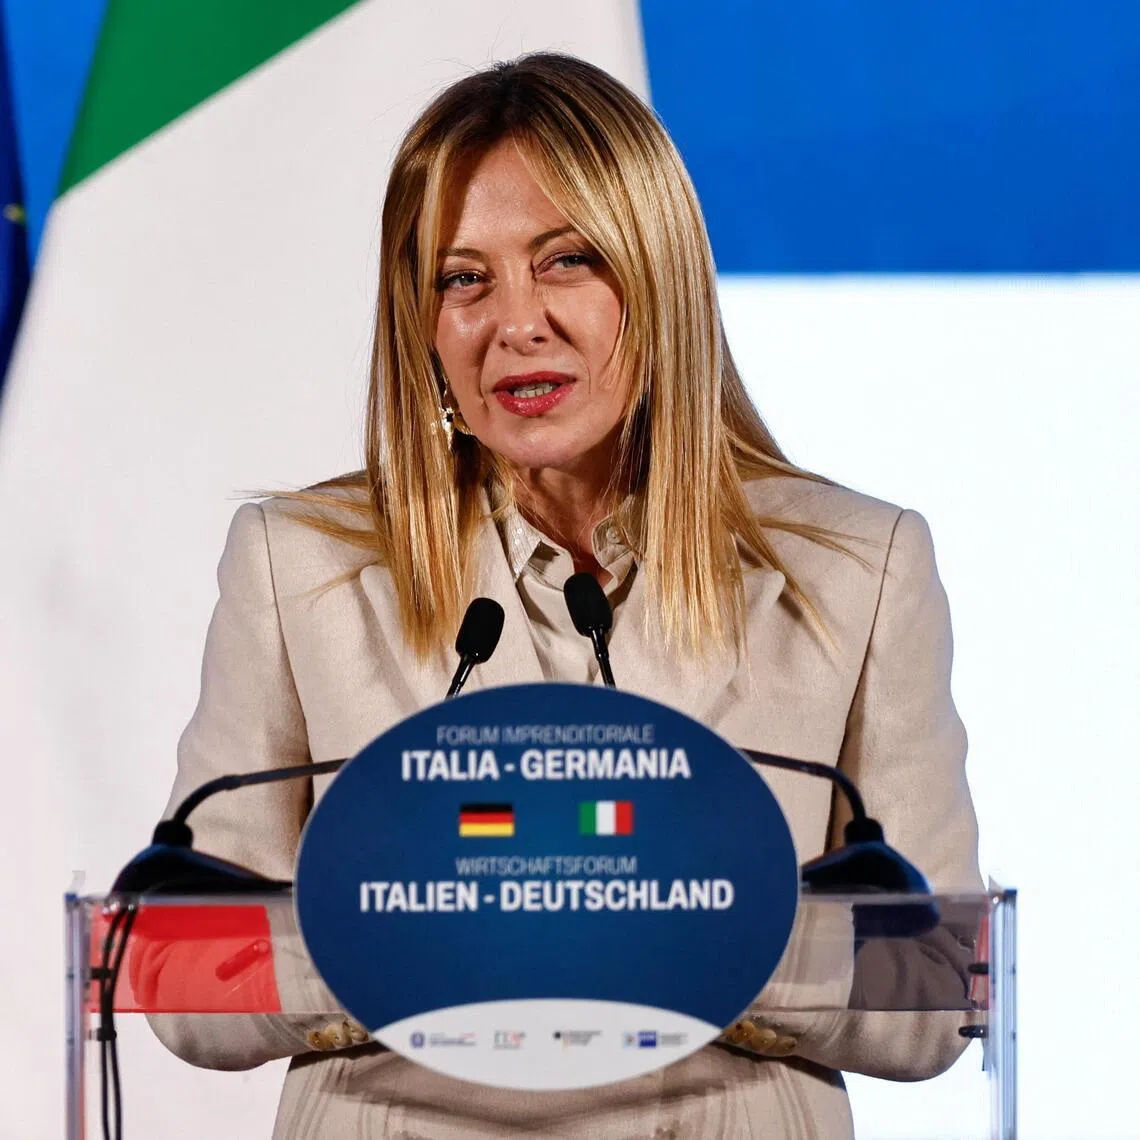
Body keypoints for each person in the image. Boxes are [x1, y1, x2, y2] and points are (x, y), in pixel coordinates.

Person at [149, 52, 982, 1139]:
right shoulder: (298, 565)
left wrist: (702, 934)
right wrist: (404, 938)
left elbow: (936, 984)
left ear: (660, 280)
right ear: (423, 323)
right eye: (463, 279)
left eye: (568, 261)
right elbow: (175, 970)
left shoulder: (855, 567)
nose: (516, 322)